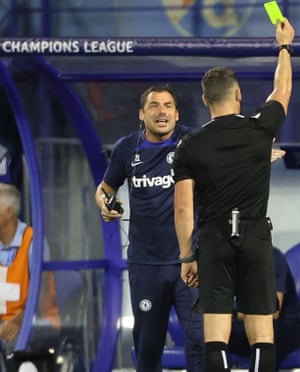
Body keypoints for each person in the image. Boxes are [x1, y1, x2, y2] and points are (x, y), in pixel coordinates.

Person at [172, 18, 295, 372]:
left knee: (216, 334)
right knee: (262, 333)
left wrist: (186, 256)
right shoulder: (260, 129)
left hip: (213, 238)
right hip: (256, 236)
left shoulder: (189, 145)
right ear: (238, 95)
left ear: (204, 100)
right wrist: (284, 46)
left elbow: (183, 208)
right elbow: (282, 90)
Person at [94, 85, 204, 372]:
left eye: (168, 105)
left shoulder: (194, 141)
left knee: (201, 342)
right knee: (148, 345)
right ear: (142, 114)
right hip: (146, 264)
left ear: (177, 114)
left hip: (190, 264)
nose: (162, 111)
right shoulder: (127, 148)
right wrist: (106, 204)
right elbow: (105, 189)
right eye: (154, 105)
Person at [0, 183, 60, 353]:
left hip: (36, 319)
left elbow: (42, 294)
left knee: (13, 342)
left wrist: (18, 320)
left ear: (9, 212)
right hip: (5, 320)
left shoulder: (34, 242)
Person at [228, 247, 300, 365]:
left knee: (265, 334)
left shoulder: (272, 258)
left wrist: (236, 313)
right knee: (214, 336)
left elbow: (272, 310)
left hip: (286, 324)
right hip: (246, 321)